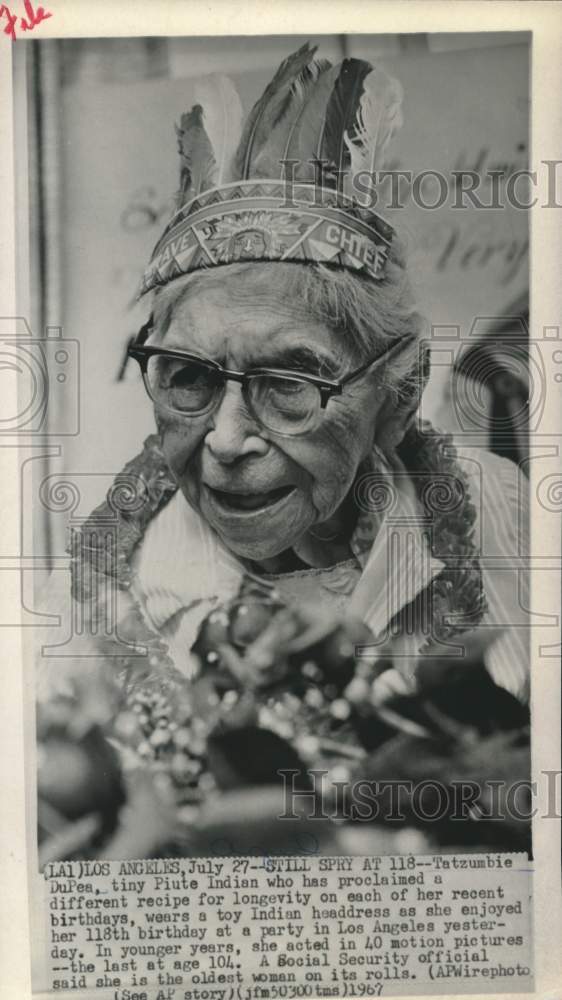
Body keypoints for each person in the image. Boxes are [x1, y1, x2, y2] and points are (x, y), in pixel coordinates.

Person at [37, 43, 529, 717]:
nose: (227, 440)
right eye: (188, 376)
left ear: (401, 391)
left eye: (289, 382)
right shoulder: (88, 600)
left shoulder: (501, 513)